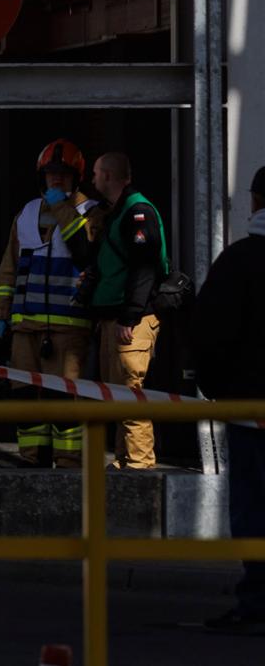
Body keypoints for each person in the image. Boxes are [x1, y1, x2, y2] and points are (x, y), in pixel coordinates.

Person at [0, 139, 99, 468]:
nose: (56, 179)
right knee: (23, 395)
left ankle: (67, 463)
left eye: (63, 174)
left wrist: (63, 207)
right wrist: (1, 313)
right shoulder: (26, 213)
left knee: (62, 397)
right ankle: (32, 461)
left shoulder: (91, 212)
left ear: (76, 177)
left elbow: (85, 252)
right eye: (51, 173)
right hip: (25, 325)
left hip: (68, 327)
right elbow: (8, 267)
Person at [193, 165, 265, 634]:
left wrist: (218, 389)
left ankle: (258, 603)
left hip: (249, 415)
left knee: (255, 511)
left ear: (255, 203)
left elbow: (210, 334)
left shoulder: (238, 262)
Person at [87, 151, 168, 470]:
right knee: (117, 394)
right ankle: (124, 461)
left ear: (107, 176)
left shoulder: (137, 212)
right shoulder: (117, 211)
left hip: (131, 320)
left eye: (95, 173)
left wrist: (130, 315)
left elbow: (144, 267)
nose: (92, 179)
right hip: (116, 317)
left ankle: (139, 465)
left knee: (131, 392)